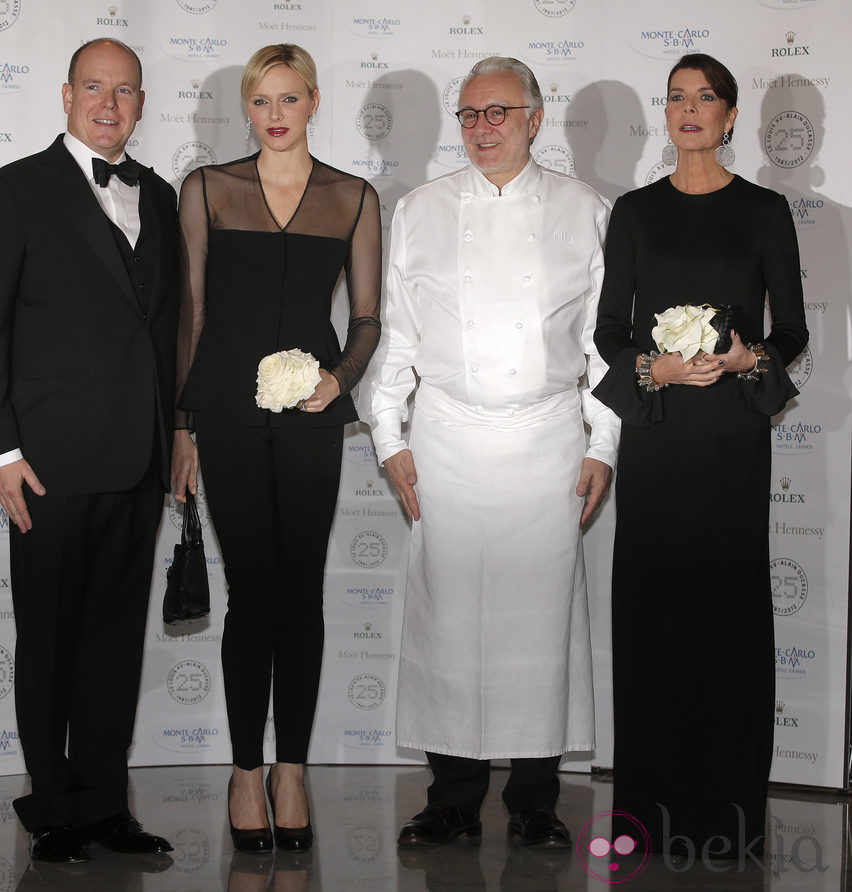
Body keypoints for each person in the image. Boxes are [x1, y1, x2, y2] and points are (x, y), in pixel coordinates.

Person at [359, 56, 619, 848]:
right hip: (445, 442)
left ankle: (537, 800)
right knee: (448, 624)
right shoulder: (421, 210)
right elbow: (396, 337)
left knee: (539, 627)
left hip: (546, 440)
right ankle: (453, 798)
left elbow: (603, 348)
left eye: (499, 112)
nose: (483, 129)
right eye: (469, 114)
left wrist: (603, 444)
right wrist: (389, 436)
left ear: (536, 119)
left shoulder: (586, 210)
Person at [0, 39, 178, 864]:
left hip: (137, 460)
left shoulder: (159, 195)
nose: (109, 104)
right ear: (65, 94)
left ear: (142, 104)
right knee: (48, 639)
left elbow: (169, 334)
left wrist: (177, 433)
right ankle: (53, 810)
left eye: (124, 91)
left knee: (115, 642)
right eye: (94, 87)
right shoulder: (11, 191)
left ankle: (105, 805)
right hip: (44, 465)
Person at [593, 53, 808, 858]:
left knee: (725, 617)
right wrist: (657, 367)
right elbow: (611, 329)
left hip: (730, 440)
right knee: (654, 616)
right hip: (659, 444)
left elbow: (792, 327)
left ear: (729, 116)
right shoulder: (636, 212)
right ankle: (647, 815)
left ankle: (727, 817)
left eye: (705, 98)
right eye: (677, 98)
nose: (690, 111)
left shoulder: (764, 211)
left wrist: (749, 359)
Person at [171, 44, 381, 853]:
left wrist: (340, 381)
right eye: (262, 101)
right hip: (224, 415)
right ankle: (245, 769)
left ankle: (291, 767)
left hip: (310, 418)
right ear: (248, 108)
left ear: (315, 101)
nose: (276, 114)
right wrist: (184, 427)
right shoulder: (209, 189)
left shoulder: (352, 197)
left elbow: (365, 318)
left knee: (304, 592)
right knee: (252, 593)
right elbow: (191, 319)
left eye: (290, 99)